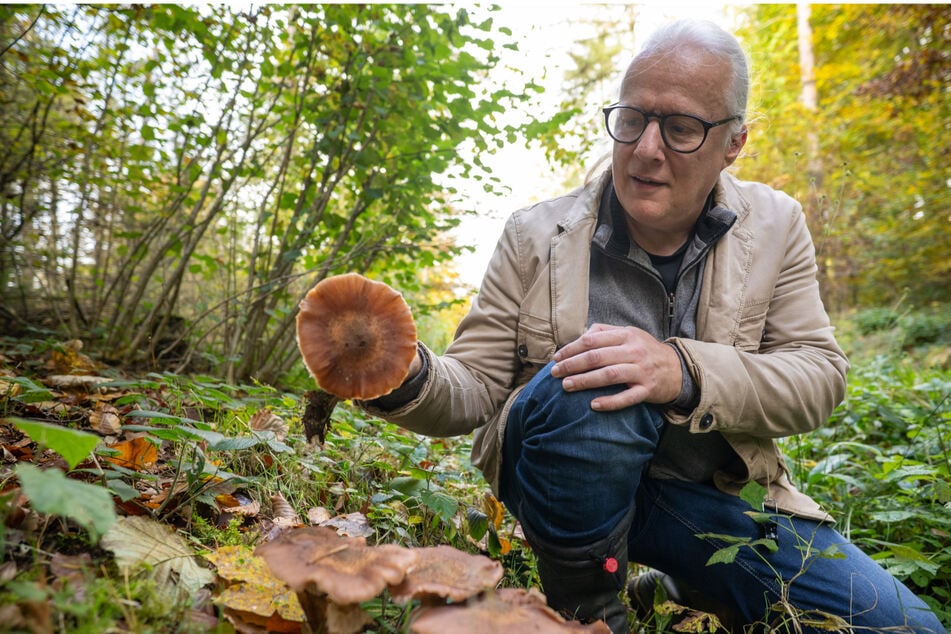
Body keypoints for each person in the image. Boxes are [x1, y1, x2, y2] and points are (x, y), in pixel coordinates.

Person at [359, 19, 945, 634]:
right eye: (633, 118)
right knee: (588, 378)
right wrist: (401, 372)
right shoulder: (535, 235)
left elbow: (817, 377)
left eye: (682, 128)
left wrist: (681, 371)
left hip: (713, 496)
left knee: (904, 627)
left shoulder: (775, 226)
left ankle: (673, 579)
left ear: (734, 143)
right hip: (561, 481)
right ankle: (588, 610)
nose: (645, 149)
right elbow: (474, 385)